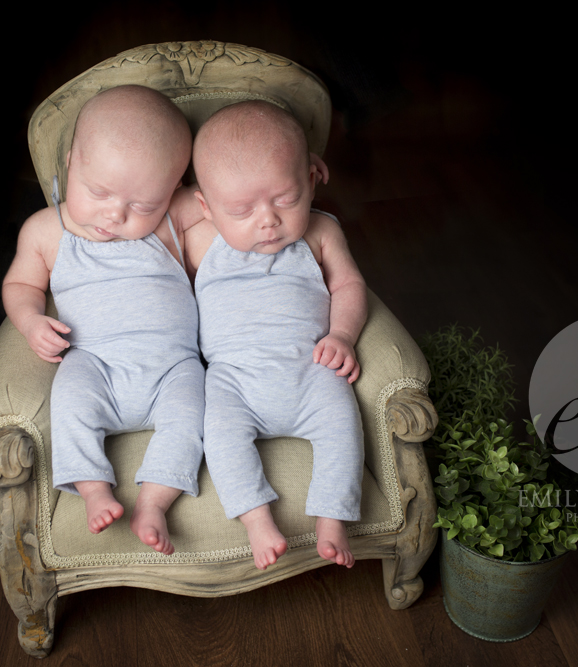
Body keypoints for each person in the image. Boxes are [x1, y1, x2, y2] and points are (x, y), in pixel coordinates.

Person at [2, 86, 203, 555]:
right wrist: (32, 321)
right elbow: (19, 287)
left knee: (196, 413)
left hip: (174, 366)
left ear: (173, 189)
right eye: (99, 192)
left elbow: (233, 189)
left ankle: (154, 502)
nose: (115, 215)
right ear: (72, 161)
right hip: (93, 363)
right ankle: (94, 489)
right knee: (69, 400)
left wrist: (298, 169)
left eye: (143, 205)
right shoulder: (46, 230)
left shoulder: (173, 217)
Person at [172, 100, 367, 570]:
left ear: (312, 178)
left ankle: (331, 516)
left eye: (285, 199)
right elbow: (157, 209)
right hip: (233, 381)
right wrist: (208, 201)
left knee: (343, 424)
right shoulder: (203, 237)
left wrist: (342, 334)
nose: (268, 220)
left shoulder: (321, 232)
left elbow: (349, 285)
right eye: (240, 209)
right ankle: (257, 520)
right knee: (219, 436)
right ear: (207, 206)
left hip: (311, 369)